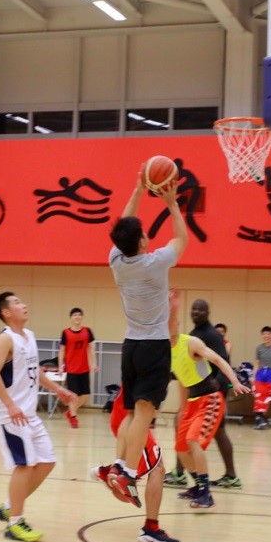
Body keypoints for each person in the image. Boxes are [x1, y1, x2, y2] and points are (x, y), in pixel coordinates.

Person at [103, 169, 187, 508]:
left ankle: (119, 464)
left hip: (130, 345)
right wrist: (172, 204)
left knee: (130, 412)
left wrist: (138, 189)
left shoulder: (116, 261)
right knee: (143, 412)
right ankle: (125, 469)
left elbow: (124, 226)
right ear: (141, 242)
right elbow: (181, 239)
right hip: (153, 346)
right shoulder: (155, 263)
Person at [0, 291, 79, 542]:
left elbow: (34, 371)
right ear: (7, 312)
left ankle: (9, 507)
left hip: (28, 413)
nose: (24, 304)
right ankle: (15, 523)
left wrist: (58, 389)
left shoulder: (28, 336)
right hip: (11, 414)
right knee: (25, 465)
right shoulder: (5, 339)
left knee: (47, 461)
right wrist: (10, 405)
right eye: (17, 302)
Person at [166, 293, 249, 509]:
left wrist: (234, 381)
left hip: (210, 399)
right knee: (181, 447)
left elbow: (219, 359)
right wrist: (182, 408)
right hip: (193, 401)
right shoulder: (167, 351)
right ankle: (197, 485)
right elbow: (182, 381)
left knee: (194, 441)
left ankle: (206, 493)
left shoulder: (191, 341)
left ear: (177, 324)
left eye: (171, 321)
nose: (167, 325)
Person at [90, 384, 179, 542]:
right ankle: (150, 529)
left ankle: (111, 470)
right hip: (133, 419)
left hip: (127, 415)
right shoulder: (152, 370)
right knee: (157, 469)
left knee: (137, 473)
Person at [185, 298, 243, 489]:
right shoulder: (194, 334)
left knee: (217, 430)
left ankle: (231, 476)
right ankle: (180, 472)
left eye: (200, 310)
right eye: (194, 309)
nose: (196, 312)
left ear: (207, 313)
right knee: (187, 428)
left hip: (213, 391)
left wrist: (217, 385)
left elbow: (222, 361)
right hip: (200, 391)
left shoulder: (211, 335)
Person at [59, 307, 96, 428]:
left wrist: (94, 364)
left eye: (79, 315)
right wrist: (60, 366)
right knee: (73, 395)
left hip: (84, 368)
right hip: (71, 369)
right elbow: (62, 350)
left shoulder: (87, 331)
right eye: (75, 315)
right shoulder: (66, 332)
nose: (77, 317)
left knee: (85, 395)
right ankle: (74, 418)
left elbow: (91, 349)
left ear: (82, 317)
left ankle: (70, 411)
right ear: (71, 318)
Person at [251, 326, 271, 430]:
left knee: (266, 396)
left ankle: (260, 418)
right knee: (258, 395)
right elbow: (257, 363)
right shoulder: (259, 348)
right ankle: (260, 418)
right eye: (264, 334)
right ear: (262, 335)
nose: (266, 336)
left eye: (268, 334)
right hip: (260, 372)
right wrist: (253, 376)